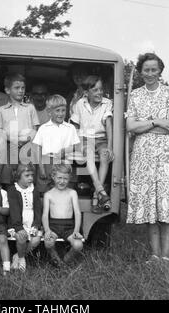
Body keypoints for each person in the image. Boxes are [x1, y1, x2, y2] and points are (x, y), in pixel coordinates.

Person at [126, 52, 169, 264]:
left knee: (167, 203)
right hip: (143, 156)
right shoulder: (134, 95)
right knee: (149, 202)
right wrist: (156, 121)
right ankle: (154, 255)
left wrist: (147, 125)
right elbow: (131, 127)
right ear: (141, 72)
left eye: (154, 69)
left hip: (167, 156)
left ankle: (166, 256)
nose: (150, 73)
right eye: (146, 70)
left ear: (160, 71)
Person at [70, 75, 114, 212]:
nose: (99, 93)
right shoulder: (80, 104)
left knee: (105, 156)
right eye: (95, 90)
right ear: (86, 93)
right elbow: (75, 126)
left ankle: (97, 194)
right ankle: (101, 192)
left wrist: (110, 147)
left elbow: (109, 126)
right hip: (84, 138)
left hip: (101, 139)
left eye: (100, 89)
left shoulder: (107, 103)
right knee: (88, 154)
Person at [0, 73, 40, 185]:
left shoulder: (30, 108)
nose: (21, 91)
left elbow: (35, 130)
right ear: (8, 90)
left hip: (27, 144)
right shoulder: (1, 110)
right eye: (17, 88)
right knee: (7, 173)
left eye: (23, 88)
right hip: (9, 145)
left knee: (27, 172)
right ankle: (0, 185)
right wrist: (13, 139)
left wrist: (24, 139)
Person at [42, 164, 83, 267]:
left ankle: (65, 261)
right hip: (53, 226)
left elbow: (77, 212)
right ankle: (56, 260)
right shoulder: (48, 194)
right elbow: (45, 214)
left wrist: (76, 231)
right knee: (48, 243)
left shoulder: (72, 193)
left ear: (70, 178)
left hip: (69, 226)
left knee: (78, 245)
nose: (62, 181)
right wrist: (47, 230)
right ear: (53, 177)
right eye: (59, 178)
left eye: (65, 178)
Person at [7, 163, 42, 272]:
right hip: (17, 223)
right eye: (27, 175)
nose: (31, 178)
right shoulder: (13, 190)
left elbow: (38, 209)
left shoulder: (34, 190)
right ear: (18, 176)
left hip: (31, 223)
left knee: (36, 240)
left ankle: (18, 256)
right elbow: (14, 211)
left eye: (32, 175)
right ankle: (22, 259)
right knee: (21, 238)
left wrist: (36, 225)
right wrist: (18, 228)